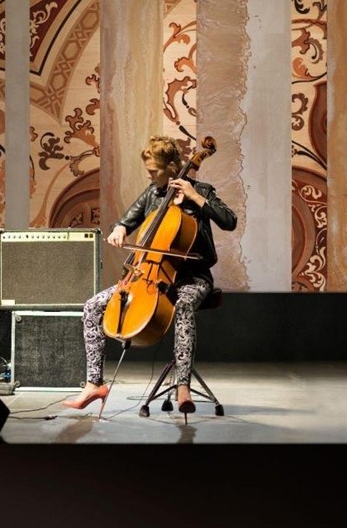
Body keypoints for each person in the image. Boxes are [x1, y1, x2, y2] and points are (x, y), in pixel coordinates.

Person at [63, 135, 237, 413]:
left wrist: (195, 197)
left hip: (192, 278)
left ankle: (183, 386)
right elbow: (126, 220)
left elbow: (229, 221)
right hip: (149, 277)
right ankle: (94, 384)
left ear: (172, 168)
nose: (149, 175)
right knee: (92, 306)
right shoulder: (153, 194)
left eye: (154, 171)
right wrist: (120, 229)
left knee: (183, 305)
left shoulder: (201, 190)